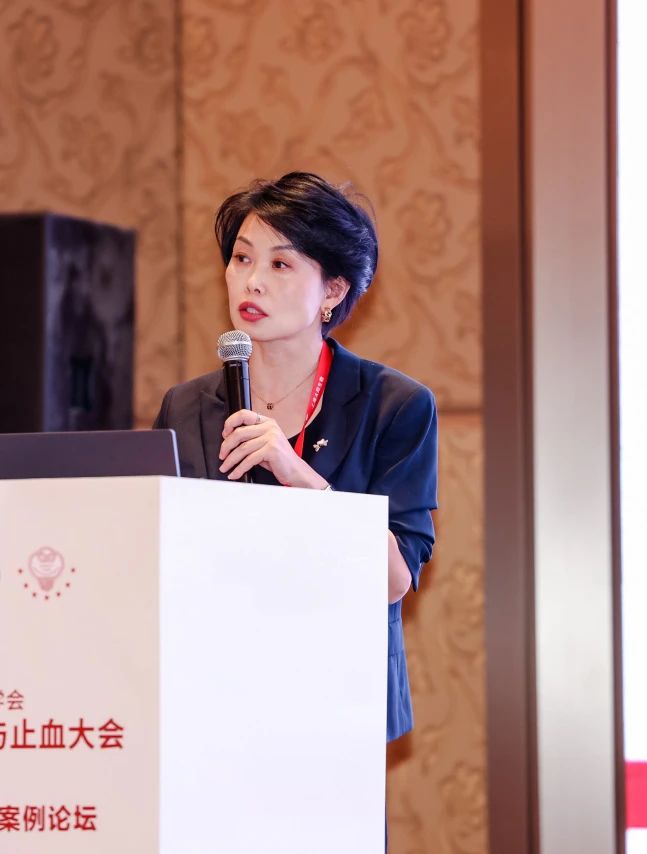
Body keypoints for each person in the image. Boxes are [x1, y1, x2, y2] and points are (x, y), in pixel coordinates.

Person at [152, 171, 438, 745]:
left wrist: (296, 472)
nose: (251, 281)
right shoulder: (186, 406)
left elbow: (394, 579)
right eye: (241, 258)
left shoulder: (393, 405)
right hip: (212, 698)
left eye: (280, 264)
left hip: (336, 703)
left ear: (332, 291)